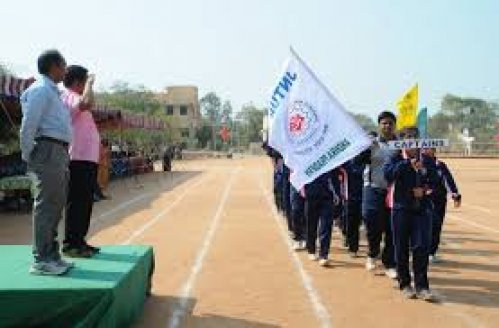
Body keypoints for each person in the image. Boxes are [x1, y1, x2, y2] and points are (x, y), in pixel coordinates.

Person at [20, 50, 73, 275]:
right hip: (47, 149)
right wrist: (28, 153)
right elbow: (29, 124)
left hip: (58, 151)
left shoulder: (53, 92)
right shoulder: (41, 90)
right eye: (64, 66)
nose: (66, 70)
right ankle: (41, 258)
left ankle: (52, 255)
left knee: (56, 204)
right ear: (54, 66)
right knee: (46, 205)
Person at [384, 127, 438, 301]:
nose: (411, 143)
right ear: (402, 143)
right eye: (407, 140)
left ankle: (422, 286)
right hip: (401, 209)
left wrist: (424, 190)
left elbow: (435, 183)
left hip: (422, 210)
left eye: (414, 139)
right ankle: (405, 283)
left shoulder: (428, 159)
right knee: (400, 247)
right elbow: (388, 175)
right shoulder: (396, 158)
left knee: (421, 247)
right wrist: (407, 164)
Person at [61, 65, 100, 258]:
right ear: (78, 82)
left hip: (86, 158)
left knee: (85, 201)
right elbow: (87, 102)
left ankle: (79, 241)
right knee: (77, 202)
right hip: (78, 158)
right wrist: (91, 84)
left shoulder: (74, 96)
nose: (87, 85)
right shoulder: (70, 96)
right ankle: (71, 244)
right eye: (85, 81)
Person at [358, 111, 398, 278]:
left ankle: (389, 263)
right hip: (372, 187)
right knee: (371, 221)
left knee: (391, 226)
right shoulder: (371, 144)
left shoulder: (400, 145)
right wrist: (364, 148)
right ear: (379, 125)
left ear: (394, 125)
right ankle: (372, 253)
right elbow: (358, 162)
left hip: (394, 191)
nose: (387, 126)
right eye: (384, 123)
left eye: (390, 123)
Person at [423, 147, 461, 263]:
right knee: (425, 226)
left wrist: (454, 194)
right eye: (425, 148)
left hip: (439, 200)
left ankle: (431, 253)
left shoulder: (440, 165)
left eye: (430, 148)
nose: (427, 150)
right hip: (423, 200)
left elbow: (448, 180)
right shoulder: (417, 163)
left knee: (437, 225)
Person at [303, 169, 341, 267]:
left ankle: (324, 255)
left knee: (326, 225)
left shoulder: (328, 158)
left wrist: (337, 194)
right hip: (311, 193)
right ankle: (311, 250)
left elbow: (335, 176)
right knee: (311, 224)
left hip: (327, 195)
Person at [341, 156, 365, 257]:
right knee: (351, 221)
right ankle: (353, 247)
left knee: (365, 221)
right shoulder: (347, 161)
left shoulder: (367, 160)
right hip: (350, 197)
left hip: (365, 195)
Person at [290, 184, 306, 250]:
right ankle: (297, 239)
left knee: (307, 213)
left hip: (309, 184)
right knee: (296, 212)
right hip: (296, 186)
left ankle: (306, 238)